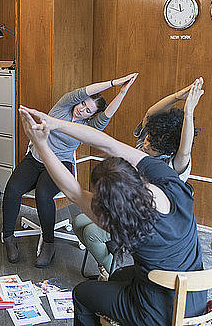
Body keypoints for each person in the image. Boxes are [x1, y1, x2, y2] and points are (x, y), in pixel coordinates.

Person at [19, 82, 206, 326]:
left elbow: (73, 192)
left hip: (159, 314)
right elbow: (109, 144)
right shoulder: (173, 185)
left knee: (83, 294)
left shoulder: (127, 224)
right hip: (195, 297)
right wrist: (53, 122)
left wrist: (41, 144)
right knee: (117, 275)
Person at [2, 73, 138, 268]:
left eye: (88, 110)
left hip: (61, 163)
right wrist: (113, 83)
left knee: (43, 193)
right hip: (35, 158)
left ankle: (49, 243)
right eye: (83, 104)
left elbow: (107, 115)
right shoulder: (63, 107)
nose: (82, 109)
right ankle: (8, 238)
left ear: (92, 116)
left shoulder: (88, 126)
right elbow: (83, 92)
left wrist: (122, 92)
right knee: (12, 189)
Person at [74, 78, 203, 279]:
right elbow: (151, 114)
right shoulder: (149, 139)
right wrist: (178, 96)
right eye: (147, 138)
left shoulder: (172, 166)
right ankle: (109, 265)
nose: (144, 144)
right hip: (121, 204)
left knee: (91, 233)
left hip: (142, 219)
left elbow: (184, 150)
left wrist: (189, 111)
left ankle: (114, 272)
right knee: (79, 222)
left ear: (166, 150)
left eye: (150, 146)